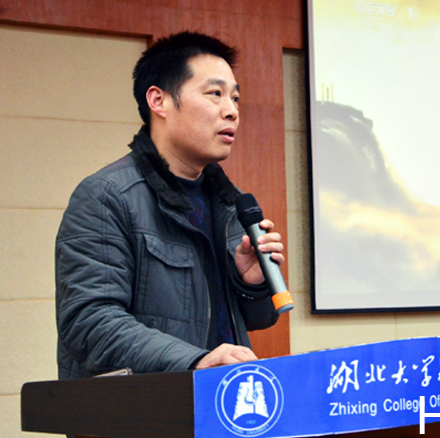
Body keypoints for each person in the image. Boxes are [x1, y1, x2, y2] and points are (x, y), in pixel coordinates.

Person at [55, 32, 283, 383]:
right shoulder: (107, 196)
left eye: (236, 98)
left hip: (217, 402)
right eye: (215, 94)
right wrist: (194, 361)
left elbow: (258, 319)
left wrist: (250, 285)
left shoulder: (231, 202)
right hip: (144, 410)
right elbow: (89, 323)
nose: (232, 111)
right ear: (158, 101)